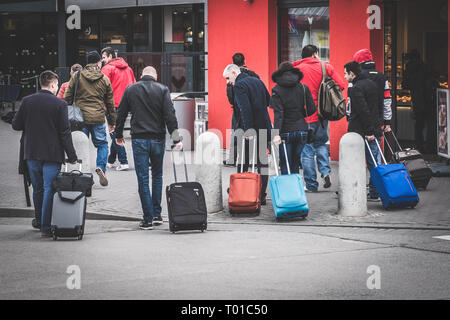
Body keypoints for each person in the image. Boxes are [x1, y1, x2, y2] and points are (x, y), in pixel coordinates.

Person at [115, 66, 182, 230]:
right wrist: (175, 139)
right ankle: (157, 214)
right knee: (157, 176)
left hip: (139, 139)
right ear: (155, 75)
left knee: (143, 179)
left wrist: (118, 135)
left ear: (141, 75)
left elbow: (121, 113)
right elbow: (170, 116)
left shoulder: (131, 89)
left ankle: (147, 218)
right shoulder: (163, 89)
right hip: (158, 139)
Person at [12, 70, 78, 237]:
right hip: (52, 154)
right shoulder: (59, 104)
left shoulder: (27, 101)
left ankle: (40, 220)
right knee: (49, 189)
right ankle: (45, 228)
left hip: (31, 153)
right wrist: (72, 156)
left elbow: (15, 125)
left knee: (38, 189)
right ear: (53, 84)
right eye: (56, 85)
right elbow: (65, 132)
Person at [293, 45, 346, 192]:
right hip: (322, 114)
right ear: (315, 54)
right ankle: (325, 172)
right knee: (321, 143)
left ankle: (311, 185)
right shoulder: (325, 67)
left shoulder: (297, 69)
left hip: (304, 116)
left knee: (307, 150)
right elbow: (341, 85)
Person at [64, 51, 116, 187]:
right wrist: (112, 122)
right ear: (98, 62)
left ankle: (83, 175)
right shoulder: (104, 79)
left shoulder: (77, 76)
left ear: (87, 63)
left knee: (81, 146)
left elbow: (67, 98)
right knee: (102, 144)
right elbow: (110, 103)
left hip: (80, 119)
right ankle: (101, 168)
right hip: (98, 118)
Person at [223, 64, 272, 205]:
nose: (228, 82)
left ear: (234, 72)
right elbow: (268, 101)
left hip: (248, 130)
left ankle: (241, 193)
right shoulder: (258, 81)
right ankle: (261, 195)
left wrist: (248, 128)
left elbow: (244, 108)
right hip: (263, 127)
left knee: (243, 161)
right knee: (262, 162)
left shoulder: (239, 85)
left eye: (228, 78)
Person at [270, 62, 316, 175]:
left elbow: (279, 114)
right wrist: (300, 115)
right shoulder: (303, 87)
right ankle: (295, 188)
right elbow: (312, 108)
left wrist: (276, 133)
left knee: (285, 162)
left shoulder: (276, 90)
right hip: (301, 129)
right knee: (296, 162)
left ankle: (287, 189)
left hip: (285, 131)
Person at [344, 61, 380, 201]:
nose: (345, 76)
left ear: (352, 73)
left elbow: (363, 110)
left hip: (361, 131)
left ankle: (356, 191)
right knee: (374, 163)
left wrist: (369, 131)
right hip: (373, 128)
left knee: (357, 162)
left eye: (346, 73)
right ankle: (375, 191)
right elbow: (376, 107)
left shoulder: (356, 88)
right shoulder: (372, 84)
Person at [101, 47, 136, 171]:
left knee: (114, 133)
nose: (103, 60)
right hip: (126, 105)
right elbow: (133, 86)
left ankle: (124, 161)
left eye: (104, 57)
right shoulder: (129, 69)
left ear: (110, 56)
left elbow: (102, 89)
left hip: (111, 106)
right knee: (117, 131)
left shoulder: (107, 69)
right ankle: (111, 160)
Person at [225, 53, 260, 166]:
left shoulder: (232, 75)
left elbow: (230, 94)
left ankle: (233, 159)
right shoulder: (252, 74)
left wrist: (234, 103)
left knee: (236, 133)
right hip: (253, 109)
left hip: (237, 110)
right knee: (253, 132)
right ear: (244, 60)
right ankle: (252, 159)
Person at [402, 49, 433, 152]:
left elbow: (404, 85)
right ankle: (430, 146)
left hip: (416, 99)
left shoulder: (409, 68)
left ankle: (419, 146)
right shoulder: (425, 67)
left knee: (419, 125)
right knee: (430, 124)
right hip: (429, 99)